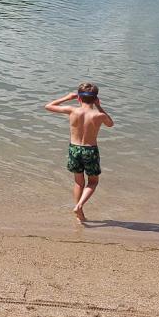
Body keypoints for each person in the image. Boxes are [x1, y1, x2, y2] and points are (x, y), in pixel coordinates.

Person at [44, 82, 114, 222]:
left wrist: (66, 97)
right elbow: (110, 123)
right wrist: (99, 106)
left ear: (79, 99)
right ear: (95, 99)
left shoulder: (72, 110)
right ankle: (80, 205)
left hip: (74, 149)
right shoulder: (98, 115)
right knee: (93, 182)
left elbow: (48, 106)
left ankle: (79, 212)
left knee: (78, 183)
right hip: (90, 150)